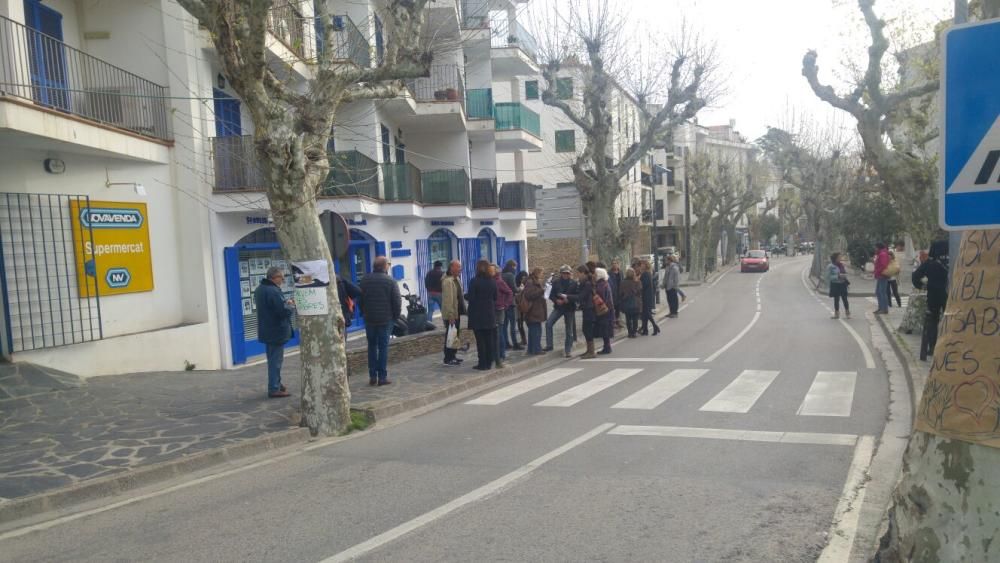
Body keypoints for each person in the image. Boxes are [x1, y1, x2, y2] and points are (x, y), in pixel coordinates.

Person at [359, 256, 401, 386]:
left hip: (370, 319)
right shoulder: (390, 281)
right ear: (384, 266)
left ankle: (372, 376)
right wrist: (395, 316)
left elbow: (360, 299)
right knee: (383, 347)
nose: (389, 266)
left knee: (372, 346)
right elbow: (397, 301)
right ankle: (382, 377)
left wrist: (364, 312)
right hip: (385, 319)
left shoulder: (364, 280)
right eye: (388, 264)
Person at [255, 266, 294, 398]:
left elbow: (271, 308)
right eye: (281, 278)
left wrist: (285, 303)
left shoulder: (260, 289)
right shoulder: (273, 291)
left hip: (268, 330)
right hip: (276, 331)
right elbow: (283, 311)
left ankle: (277, 383)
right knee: (275, 361)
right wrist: (290, 305)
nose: (283, 280)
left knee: (273, 359)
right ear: (273, 278)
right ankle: (274, 388)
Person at [912, 240, 949, 357]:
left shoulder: (930, 263)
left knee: (932, 321)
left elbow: (915, 277)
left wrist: (924, 286)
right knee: (952, 319)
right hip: (951, 295)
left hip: (934, 295)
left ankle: (932, 348)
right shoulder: (952, 260)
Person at [467, 259, 498, 371]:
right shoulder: (492, 281)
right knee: (489, 340)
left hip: (478, 314)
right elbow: (495, 297)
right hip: (490, 313)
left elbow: (471, 298)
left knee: (480, 341)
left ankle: (482, 363)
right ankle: (489, 362)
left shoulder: (474, 281)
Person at [544, 265, 578, 357]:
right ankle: (549, 345)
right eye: (564, 273)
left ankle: (568, 350)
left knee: (569, 330)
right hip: (559, 307)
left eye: (567, 273)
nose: (566, 275)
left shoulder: (574, 283)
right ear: (561, 273)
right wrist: (556, 300)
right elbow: (551, 295)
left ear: (570, 273)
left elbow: (577, 296)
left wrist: (569, 299)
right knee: (548, 323)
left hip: (569, 308)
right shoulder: (556, 282)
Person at [564, 265, 597, 358]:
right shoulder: (584, 282)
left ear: (583, 273)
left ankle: (591, 352)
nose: (577, 275)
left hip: (589, 309)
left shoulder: (587, 284)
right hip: (586, 308)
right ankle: (589, 350)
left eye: (578, 273)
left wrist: (567, 296)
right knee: (585, 329)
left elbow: (580, 296)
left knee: (588, 329)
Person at [441, 260, 465, 366]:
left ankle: (453, 355)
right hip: (451, 313)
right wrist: (451, 314)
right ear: (452, 268)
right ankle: (448, 357)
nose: (460, 269)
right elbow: (448, 299)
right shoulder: (448, 282)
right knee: (450, 335)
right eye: (458, 267)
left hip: (457, 312)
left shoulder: (456, 279)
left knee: (455, 334)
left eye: (460, 267)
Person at [520, 267, 548, 354]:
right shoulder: (530, 282)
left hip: (535, 309)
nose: (542, 275)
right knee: (536, 330)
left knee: (534, 330)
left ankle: (531, 349)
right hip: (533, 310)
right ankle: (536, 349)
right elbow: (529, 295)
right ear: (537, 273)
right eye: (541, 273)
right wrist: (542, 291)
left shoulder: (532, 281)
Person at [492, 263, 513, 368]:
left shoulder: (499, 282)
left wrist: (505, 304)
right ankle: (496, 354)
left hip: (499, 310)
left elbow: (509, 292)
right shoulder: (491, 281)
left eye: (492, 270)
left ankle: (502, 354)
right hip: (491, 310)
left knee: (499, 333)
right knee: (495, 333)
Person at [593, 267, 616, 354]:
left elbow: (601, 298)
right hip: (608, 309)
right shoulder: (604, 283)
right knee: (605, 329)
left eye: (595, 274)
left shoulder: (601, 285)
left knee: (605, 329)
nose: (594, 275)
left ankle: (607, 347)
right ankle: (607, 347)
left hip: (604, 310)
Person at [501, 260, 522, 350]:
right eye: (515, 266)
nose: (516, 268)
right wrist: (520, 288)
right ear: (512, 266)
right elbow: (514, 289)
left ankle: (506, 343)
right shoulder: (511, 275)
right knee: (513, 324)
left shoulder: (501, 275)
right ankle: (515, 344)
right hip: (511, 302)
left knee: (504, 325)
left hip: (503, 303)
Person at [639, 259, 660, 335]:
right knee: (644, 314)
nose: (641, 265)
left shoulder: (646, 274)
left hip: (646, 296)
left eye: (642, 264)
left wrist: (638, 282)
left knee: (647, 313)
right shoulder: (646, 273)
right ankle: (645, 330)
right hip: (647, 295)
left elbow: (643, 285)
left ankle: (655, 326)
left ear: (645, 265)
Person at [620, 268, 642, 338]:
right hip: (636, 302)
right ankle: (634, 332)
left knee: (628, 319)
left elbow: (620, 293)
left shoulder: (623, 282)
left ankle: (630, 332)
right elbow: (639, 291)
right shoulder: (637, 282)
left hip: (626, 302)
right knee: (635, 319)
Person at [827, 252, 850, 319]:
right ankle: (836, 314)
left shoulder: (841, 265)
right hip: (835, 284)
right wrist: (837, 276)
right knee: (836, 299)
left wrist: (844, 276)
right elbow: (828, 277)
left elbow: (845, 273)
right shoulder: (830, 266)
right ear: (835, 258)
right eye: (839, 257)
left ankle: (847, 313)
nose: (840, 258)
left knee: (845, 299)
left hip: (843, 284)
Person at [873, 242, 891, 315]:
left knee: (882, 292)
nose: (875, 249)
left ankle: (884, 309)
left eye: (875, 247)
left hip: (882, 275)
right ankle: (881, 308)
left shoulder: (882, 254)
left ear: (878, 247)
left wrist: (877, 271)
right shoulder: (881, 254)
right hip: (880, 275)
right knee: (878, 292)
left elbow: (883, 265)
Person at [515, 270, 529, 346]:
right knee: (520, 325)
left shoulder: (528, 285)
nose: (523, 279)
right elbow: (516, 295)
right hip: (519, 307)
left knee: (528, 323)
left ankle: (530, 339)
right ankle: (523, 340)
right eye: (522, 278)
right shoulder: (517, 285)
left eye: (524, 278)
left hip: (526, 307)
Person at [608, 260, 623, 329]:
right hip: (613, 292)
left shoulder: (620, 272)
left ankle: (618, 321)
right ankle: (613, 322)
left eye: (616, 263)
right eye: (613, 263)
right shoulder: (609, 273)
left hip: (619, 292)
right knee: (613, 308)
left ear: (618, 264)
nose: (614, 265)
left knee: (618, 308)